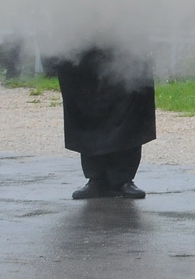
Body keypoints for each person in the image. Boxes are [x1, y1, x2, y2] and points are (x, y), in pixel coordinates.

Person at [49, 45, 156, 200]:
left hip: (124, 34)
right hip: (84, 35)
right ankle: (96, 177)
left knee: (129, 97)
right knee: (85, 100)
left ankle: (122, 177)